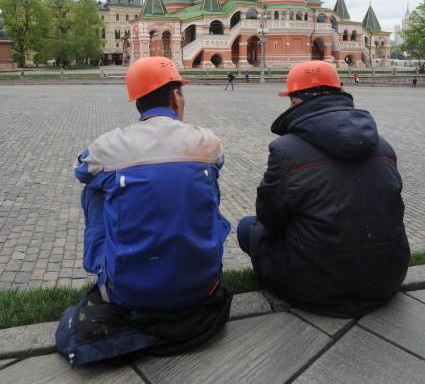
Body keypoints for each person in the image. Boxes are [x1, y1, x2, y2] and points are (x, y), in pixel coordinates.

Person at [56, 56, 232, 368]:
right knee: (199, 179)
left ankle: (101, 266)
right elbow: (213, 164)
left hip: (130, 296)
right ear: (176, 96)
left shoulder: (109, 145)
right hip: (203, 287)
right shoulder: (208, 141)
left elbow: (81, 170)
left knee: (95, 190)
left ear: (137, 100)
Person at [237, 60, 410, 318]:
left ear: (295, 102)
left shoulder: (286, 150)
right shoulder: (383, 146)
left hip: (317, 286)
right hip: (388, 276)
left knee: (246, 227)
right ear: (340, 92)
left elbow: (269, 219)